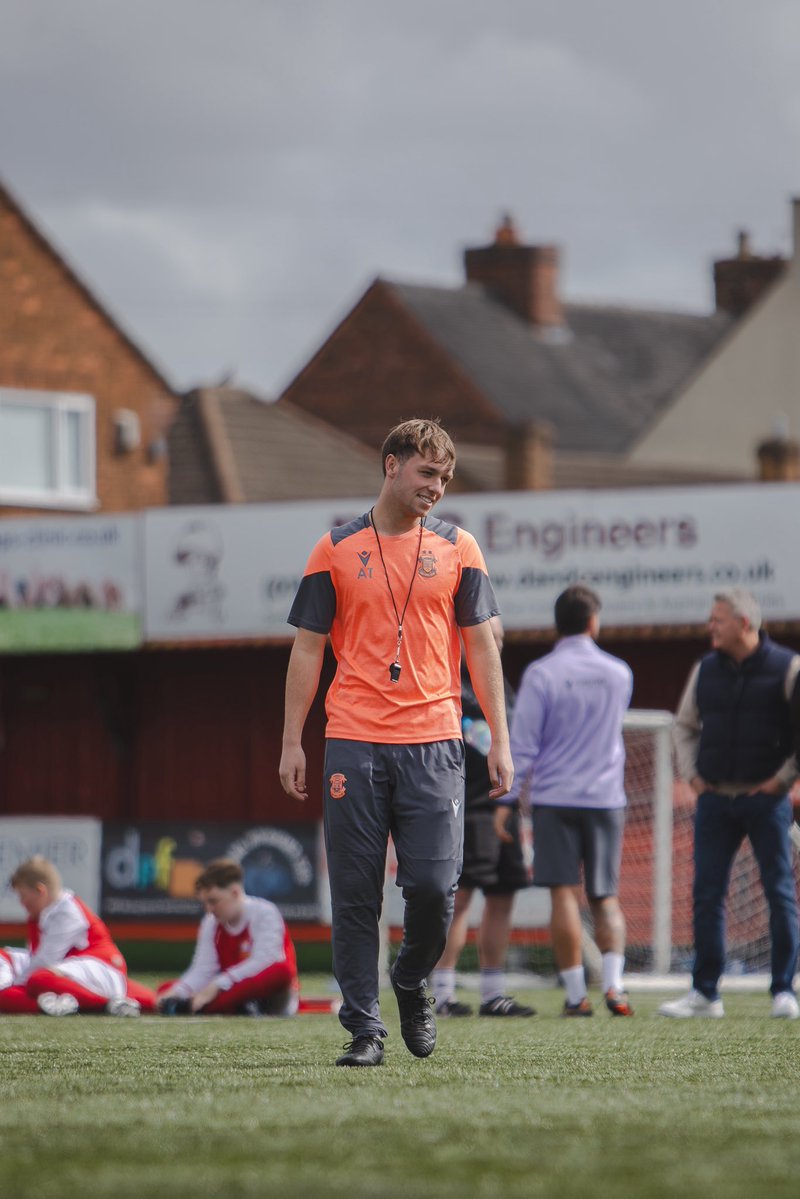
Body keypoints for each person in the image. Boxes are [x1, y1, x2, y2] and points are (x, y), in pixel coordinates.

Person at [279, 418, 513, 1067]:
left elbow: (482, 648)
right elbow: (307, 648)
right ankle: (363, 1028)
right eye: (426, 473)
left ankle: (411, 980)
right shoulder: (333, 547)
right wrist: (292, 740)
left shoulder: (460, 547)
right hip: (352, 738)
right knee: (356, 895)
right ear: (391, 465)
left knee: (436, 889)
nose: (436, 487)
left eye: (444, 478)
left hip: (436, 741)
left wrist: (499, 737)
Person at [659, 588, 800, 1020]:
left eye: (717, 620)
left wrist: (782, 781)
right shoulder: (705, 669)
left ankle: (784, 991)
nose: (710, 627)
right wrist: (693, 777)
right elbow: (684, 727)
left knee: (779, 892)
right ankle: (705, 994)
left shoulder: (788, 668)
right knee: (706, 894)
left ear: (743, 624)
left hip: (767, 800)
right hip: (715, 800)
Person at [496, 584, 634, 1017]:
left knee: (562, 896)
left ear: (556, 625)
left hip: (556, 797)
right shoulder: (619, 672)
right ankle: (615, 986)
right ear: (593, 622)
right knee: (606, 896)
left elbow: (524, 744)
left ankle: (577, 995)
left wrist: (508, 799)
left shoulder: (541, 673)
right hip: (606, 797)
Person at [431, 616, 534, 1018]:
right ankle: (441, 994)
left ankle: (493, 993)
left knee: (504, 894)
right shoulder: (452, 681)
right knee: (460, 899)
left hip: (504, 808)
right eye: (493, 636)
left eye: (502, 636)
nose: (499, 643)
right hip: (468, 806)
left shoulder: (499, 682)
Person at [0, 856, 155, 1016]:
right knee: (28, 986)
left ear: (41, 891)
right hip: (87, 974)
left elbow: (44, 962)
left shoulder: (66, 912)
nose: (22, 902)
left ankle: (106, 1005)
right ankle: (68, 1005)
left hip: (102, 967)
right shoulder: (42, 915)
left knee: (38, 980)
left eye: (23, 896)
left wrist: (14, 990)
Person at [155, 858, 299, 1016]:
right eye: (205, 903)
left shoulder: (265, 912)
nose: (209, 909)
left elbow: (266, 961)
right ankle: (217, 1005)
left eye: (213, 901)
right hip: (230, 988)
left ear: (235, 893)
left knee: (282, 971)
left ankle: (199, 1007)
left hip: (269, 995)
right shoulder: (211, 923)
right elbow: (203, 969)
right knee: (167, 988)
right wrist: (176, 993)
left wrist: (218, 984)